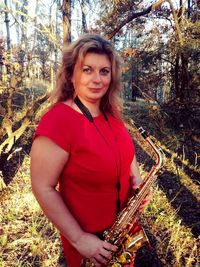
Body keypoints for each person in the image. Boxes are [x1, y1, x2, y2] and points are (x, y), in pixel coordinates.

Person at [30, 34, 145, 267]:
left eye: (104, 71)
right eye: (87, 70)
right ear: (72, 74)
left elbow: (126, 150)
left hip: (122, 232)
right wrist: (80, 239)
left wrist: (137, 178)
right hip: (91, 243)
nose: (97, 79)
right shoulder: (57, 122)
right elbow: (42, 187)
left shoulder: (110, 112)